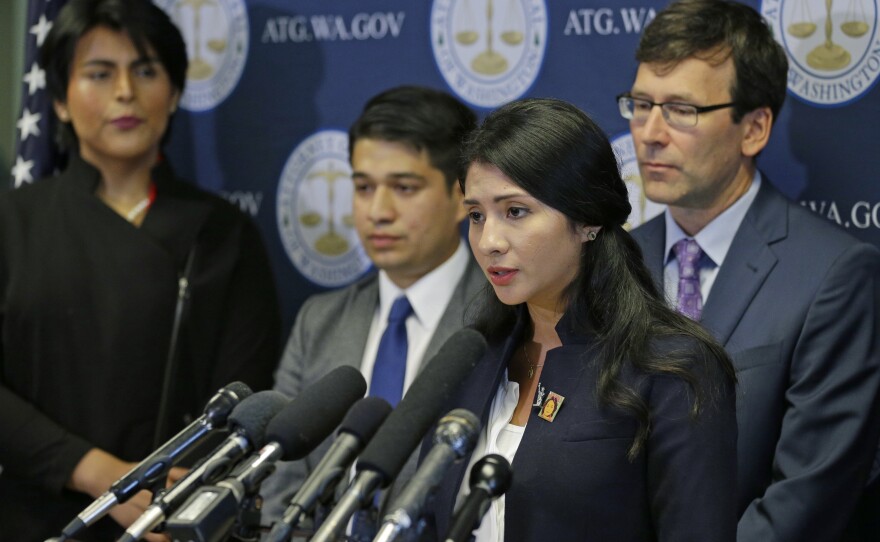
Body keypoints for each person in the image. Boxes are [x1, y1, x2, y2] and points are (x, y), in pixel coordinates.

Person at [0, 1, 281, 540]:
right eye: (99, 74)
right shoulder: (12, 225)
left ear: (173, 93)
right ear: (58, 100)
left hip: (172, 515)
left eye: (146, 71)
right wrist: (100, 475)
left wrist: (169, 490)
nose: (125, 91)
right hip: (32, 516)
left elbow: (244, 400)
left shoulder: (225, 234)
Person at [622, 1, 880, 540]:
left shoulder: (834, 275)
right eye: (641, 104)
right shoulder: (615, 263)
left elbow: (807, 498)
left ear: (754, 128)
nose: (649, 132)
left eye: (681, 110)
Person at [425, 98, 738, 541]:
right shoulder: (471, 358)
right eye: (476, 215)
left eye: (515, 211)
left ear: (587, 217)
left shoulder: (672, 369)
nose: (489, 240)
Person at [260, 86, 484, 528]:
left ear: (461, 196)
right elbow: (278, 487)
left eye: (404, 187)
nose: (378, 211)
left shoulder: (502, 317)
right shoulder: (319, 321)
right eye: (363, 187)